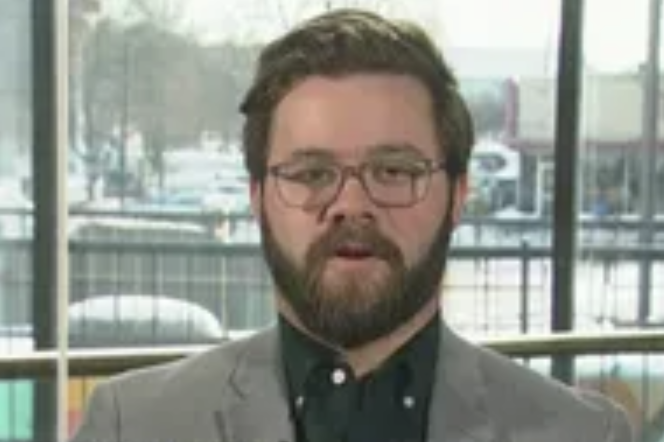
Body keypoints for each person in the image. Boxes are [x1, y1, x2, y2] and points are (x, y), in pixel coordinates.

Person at [71, 8, 633, 442]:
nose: (351, 205)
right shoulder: (132, 425)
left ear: (458, 195)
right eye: (312, 173)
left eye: (394, 171)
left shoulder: (585, 434)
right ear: (258, 198)